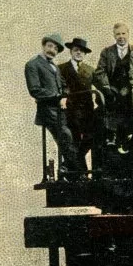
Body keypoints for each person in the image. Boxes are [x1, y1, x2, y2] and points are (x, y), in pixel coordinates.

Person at [24, 34, 80, 179]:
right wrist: (57, 97)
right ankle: (75, 174)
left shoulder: (54, 67)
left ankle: (67, 172)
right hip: (47, 110)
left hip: (60, 111)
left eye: (55, 48)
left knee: (70, 137)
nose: (52, 50)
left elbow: (64, 85)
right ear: (43, 46)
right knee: (66, 137)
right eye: (50, 46)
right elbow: (35, 90)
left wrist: (65, 96)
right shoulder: (33, 65)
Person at [58, 37, 96, 172]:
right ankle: (80, 173)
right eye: (76, 50)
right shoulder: (61, 68)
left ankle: (71, 165)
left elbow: (100, 86)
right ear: (71, 52)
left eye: (82, 51)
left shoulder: (91, 70)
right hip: (70, 111)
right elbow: (60, 86)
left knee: (91, 137)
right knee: (73, 140)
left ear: (85, 54)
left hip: (87, 111)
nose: (79, 53)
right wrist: (64, 97)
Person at [94, 23, 133, 147]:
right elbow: (100, 72)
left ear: (128, 34)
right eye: (118, 34)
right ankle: (111, 135)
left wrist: (129, 87)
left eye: (123, 33)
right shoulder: (107, 52)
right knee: (108, 103)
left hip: (130, 89)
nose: (121, 36)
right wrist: (107, 87)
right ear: (114, 35)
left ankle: (129, 137)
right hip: (112, 90)